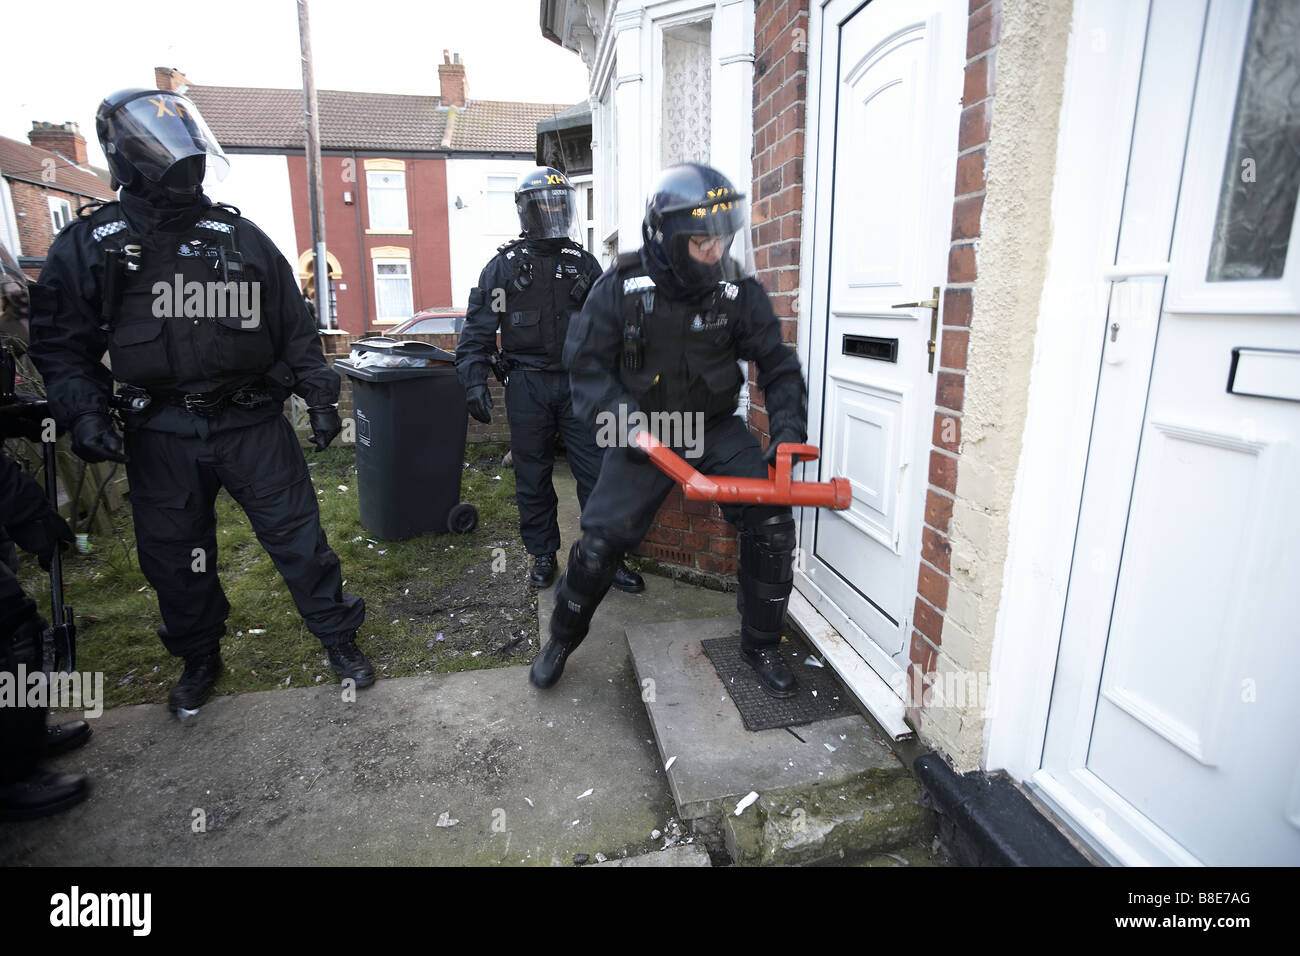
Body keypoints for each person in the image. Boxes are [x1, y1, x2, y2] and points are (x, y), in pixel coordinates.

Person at [27, 88, 369, 716]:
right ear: (127, 159)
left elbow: (295, 328)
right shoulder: (92, 245)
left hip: (252, 422)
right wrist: (82, 411)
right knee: (175, 553)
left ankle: (339, 638)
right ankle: (199, 656)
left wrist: (322, 400)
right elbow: (59, 344)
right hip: (160, 431)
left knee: (298, 539)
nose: (186, 168)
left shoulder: (237, 237)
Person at [531, 163, 808, 697]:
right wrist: (624, 423)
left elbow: (777, 364)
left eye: (722, 238)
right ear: (668, 238)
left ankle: (762, 645)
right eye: (703, 241)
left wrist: (788, 433)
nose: (715, 250)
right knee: (599, 546)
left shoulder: (734, 289)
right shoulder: (621, 287)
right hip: (645, 430)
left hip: (713, 427)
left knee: (772, 523)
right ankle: (561, 638)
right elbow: (586, 369)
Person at [456, 166, 643, 592]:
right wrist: (472, 381)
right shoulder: (503, 270)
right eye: (545, 206)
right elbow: (478, 331)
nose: (553, 213)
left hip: (582, 387)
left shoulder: (585, 264)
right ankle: (542, 553)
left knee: (597, 474)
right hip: (526, 386)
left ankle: (606, 556)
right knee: (532, 475)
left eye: (561, 205)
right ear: (525, 212)